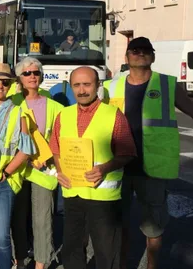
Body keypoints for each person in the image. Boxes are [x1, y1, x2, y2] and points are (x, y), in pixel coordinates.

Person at [102, 37, 193, 269]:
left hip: (153, 166)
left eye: (145, 50)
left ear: (153, 56)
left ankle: (151, 266)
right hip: (119, 165)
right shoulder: (110, 86)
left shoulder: (167, 85)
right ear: (126, 57)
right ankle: (123, 265)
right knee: (120, 223)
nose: (140, 53)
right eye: (134, 50)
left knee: (153, 227)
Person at [49, 66, 137, 269]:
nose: (81, 90)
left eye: (87, 84)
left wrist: (105, 168)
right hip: (72, 193)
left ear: (98, 85)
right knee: (72, 250)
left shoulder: (113, 115)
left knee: (106, 252)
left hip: (103, 198)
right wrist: (60, 171)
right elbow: (56, 149)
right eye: (76, 85)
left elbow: (128, 153)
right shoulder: (64, 115)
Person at [0, 63, 36, 269]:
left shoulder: (18, 112)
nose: (0, 85)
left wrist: (6, 173)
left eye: (5, 82)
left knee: (0, 236)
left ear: (11, 85)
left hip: (3, 181)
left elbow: (26, 149)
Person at [11, 57, 64, 269]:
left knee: (42, 220)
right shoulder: (12, 103)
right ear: (20, 78)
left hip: (43, 169)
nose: (32, 76)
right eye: (27, 73)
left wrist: (45, 157)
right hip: (18, 169)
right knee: (18, 218)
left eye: (36, 73)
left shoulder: (56, 106)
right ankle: (20, 259)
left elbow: (59, 138)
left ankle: (41, 263)